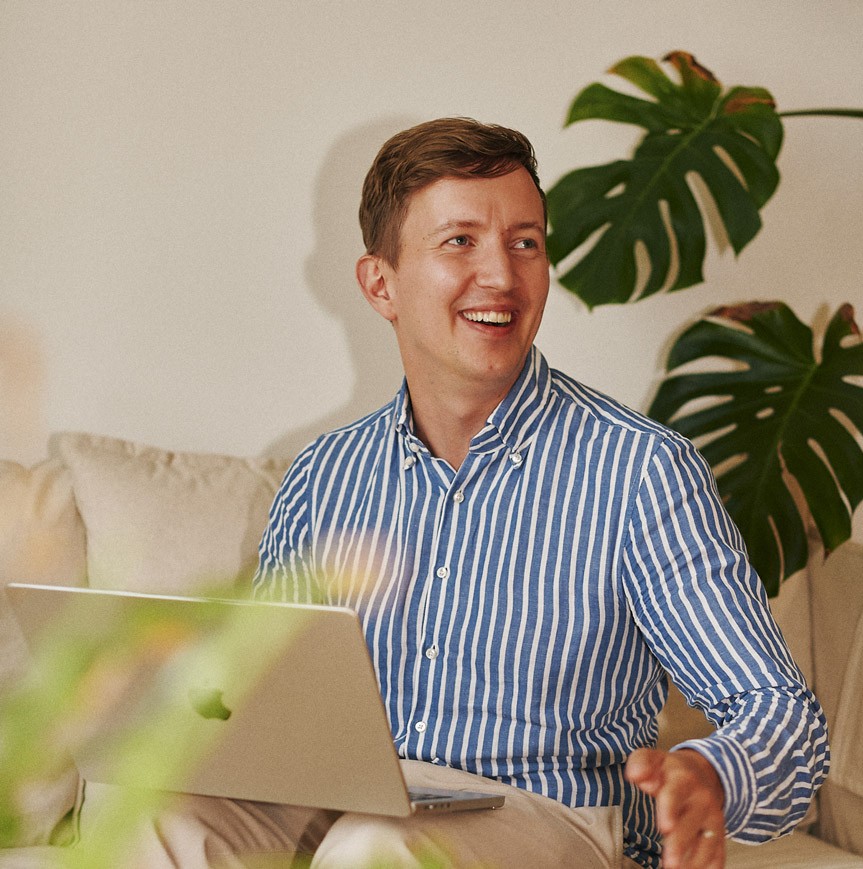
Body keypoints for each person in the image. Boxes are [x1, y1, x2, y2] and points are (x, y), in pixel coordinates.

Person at [248, 117, 829, 869]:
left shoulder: (640, 472)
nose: (502, 274)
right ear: (380, 284)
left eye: (525, 242)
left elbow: (779, 712)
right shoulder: (322, 477)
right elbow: (263, 704)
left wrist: (713, 774)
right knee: (154, 816)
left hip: (552, 820)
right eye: (461, 241)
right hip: (355, 805)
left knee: (376, 850)